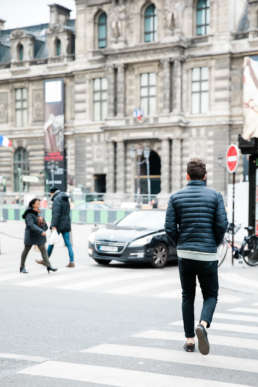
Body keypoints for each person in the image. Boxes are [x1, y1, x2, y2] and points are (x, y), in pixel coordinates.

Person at [165, 158, 228, 355]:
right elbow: (221, 225)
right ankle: (202, 323)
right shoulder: (215, 196)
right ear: (205, 176)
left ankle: (190, 340)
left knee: (187, 295)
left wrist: (180, 244)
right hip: (207, 254)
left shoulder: (175, 197)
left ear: (187, 176)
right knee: (211, 294)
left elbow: (169, 227)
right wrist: (214, 243)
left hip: (185, 253)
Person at [37, 187, 75, 268]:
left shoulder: (57, 199)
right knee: (68, 244)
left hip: (59, 225)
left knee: (52, 242)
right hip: (66, 223)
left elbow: (56, 214)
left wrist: (53, 225)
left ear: (52, 193)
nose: (50, 195)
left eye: (50, 194)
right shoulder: (65, 198)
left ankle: (45, 260)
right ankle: (72, 261)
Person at [20, 198, 57, 274]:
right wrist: (40, 231)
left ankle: (49, 266)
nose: (39, 205)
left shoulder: (39, 212)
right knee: (26, 251)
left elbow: (45, 227)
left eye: (39, 203)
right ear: (33, 204)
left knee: (43, 251)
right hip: (30, 235)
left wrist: (42, 222)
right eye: (37, 203)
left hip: (39, 236)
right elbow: (31, 225)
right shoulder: (29, 213)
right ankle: (22, 267)